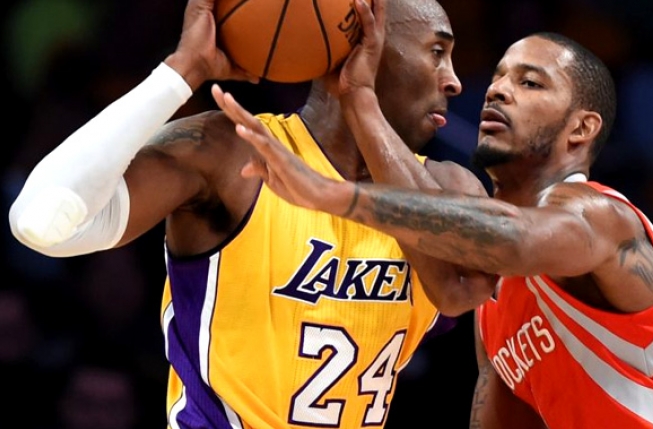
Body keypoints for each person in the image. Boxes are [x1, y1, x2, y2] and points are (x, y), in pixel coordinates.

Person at [210, 30, 653, 428]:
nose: (498, 89)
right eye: (500, 77)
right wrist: (359, 100)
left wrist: (334, 195)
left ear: (581, 129)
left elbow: (516, 238)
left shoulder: (602, 216)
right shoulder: (494, 305)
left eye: (531, 83)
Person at [8, 0, 496, 427]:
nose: (454, 81)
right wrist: (180, 73)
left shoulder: (451, 188)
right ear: (367, 41)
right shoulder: (231, 154)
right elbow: (41, 222)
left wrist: (361, 102)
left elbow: (463, 286)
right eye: (437, 52)